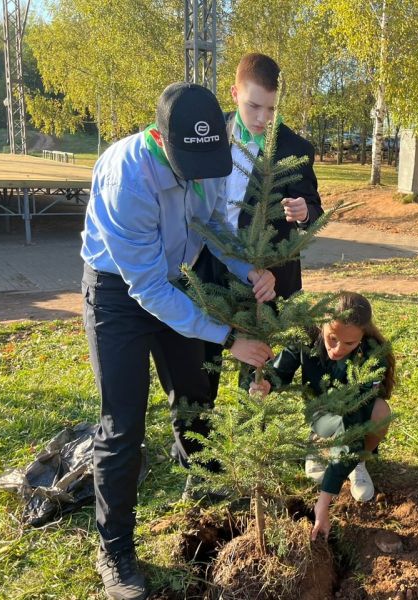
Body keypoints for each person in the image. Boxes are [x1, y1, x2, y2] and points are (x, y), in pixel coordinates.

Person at [81, 82, 277, 600]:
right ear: (162, 139)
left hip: (173, 281)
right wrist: (227, 335)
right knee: (122, 424)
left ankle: (207, 489)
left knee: (193, 394)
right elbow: (144, 287)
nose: (202, 170)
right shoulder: (129, 177)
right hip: (118, 293)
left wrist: (248, 267)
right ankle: (115, 548)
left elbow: (212, 225)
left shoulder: (212, 157)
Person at [193, 52, 324, 399]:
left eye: (271, 109)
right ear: (234, 94)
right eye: (253, 107)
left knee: (255, 375)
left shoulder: (295, 148)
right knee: (201, 367)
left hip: (265, 276)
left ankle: (253, 441)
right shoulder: (208, 136)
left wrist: (304, 211)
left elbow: (314, 206)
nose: (263, 119)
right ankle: (198, 442)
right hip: (209, 267)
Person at [252, 292, 395, 541]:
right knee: (334, 424)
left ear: (362, 336)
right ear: (323, 324)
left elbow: (356, 421)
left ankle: (357, 462)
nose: (337, 349)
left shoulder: (373, 355)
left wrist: (324, 500)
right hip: (319, 411)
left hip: (354, 413)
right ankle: (318, 443)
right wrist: (267, 385)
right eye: (332, 338)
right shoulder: (307, 336)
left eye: (349, 344)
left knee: (380, 411)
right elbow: (281, 371)